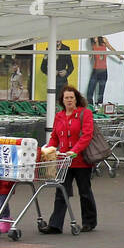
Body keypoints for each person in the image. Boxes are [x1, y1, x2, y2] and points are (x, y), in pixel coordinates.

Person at [45, 85, 97, 233]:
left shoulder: (84, 113)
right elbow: (54, 137)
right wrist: (48, 150)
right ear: (62, 100)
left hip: (81, 160)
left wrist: (74, 151)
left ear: (76, 99)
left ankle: (89, 221)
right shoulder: (59, 116)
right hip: (64, 161)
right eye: (66, 98)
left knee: (85, 191)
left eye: (71, 98)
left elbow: (87, 135)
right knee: (61, 191)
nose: (69, 100)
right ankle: (55, 225)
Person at [86, 35, 120, 106]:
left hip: (103, 71)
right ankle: (91, 107)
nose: (94, 38)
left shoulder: (103, 40)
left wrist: (118, 56)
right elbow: (92, 53)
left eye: (95, 36)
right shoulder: (92, 42)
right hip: (95, 70)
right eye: (93, 37)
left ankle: (99, 107)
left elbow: (110, 48)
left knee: (101, 93)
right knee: (89, 92)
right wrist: (90, 56)